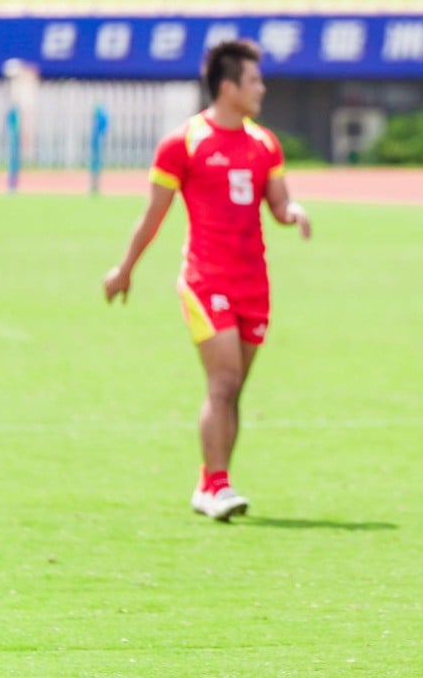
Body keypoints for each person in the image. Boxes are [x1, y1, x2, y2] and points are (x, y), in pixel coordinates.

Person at [102, 40, 311, 521]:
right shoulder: (184, 142)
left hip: (253, 284)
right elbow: (154, 213)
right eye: (254, 80)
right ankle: (218, 484)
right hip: (204, 280)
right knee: (224, 381)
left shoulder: (264, 143)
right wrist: (125, 268)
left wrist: (293, 211)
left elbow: (278, 205)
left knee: (232, 390)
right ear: (228, 86)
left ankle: (208, 482)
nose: (262, 87)